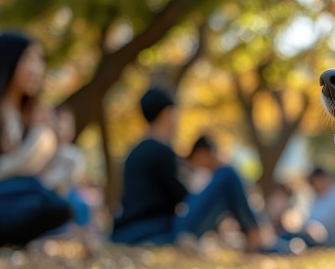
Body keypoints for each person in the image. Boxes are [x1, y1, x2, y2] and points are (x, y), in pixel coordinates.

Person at [111, 87, 262, 250]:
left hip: (133, 230)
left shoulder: (135, 152)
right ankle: (256, 236)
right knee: (227, 174)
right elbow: (182, 198)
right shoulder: (161, 151)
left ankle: (257, 237)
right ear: (167, 114)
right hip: (159, 231)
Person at [0, 31, 71, 246]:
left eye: (40, 60)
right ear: (8, 60)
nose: (37, 69)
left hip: (11, 197)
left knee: (51, 202)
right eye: (30, 59)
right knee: (35, 192)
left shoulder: (28, 118)